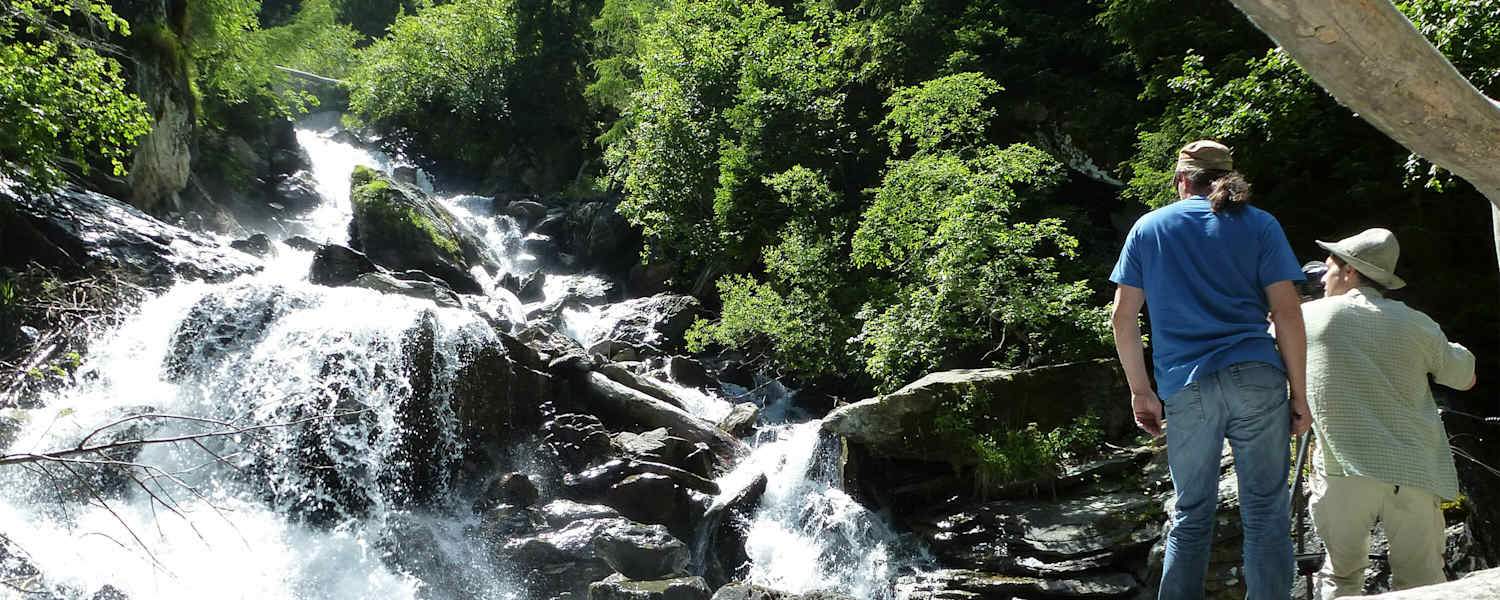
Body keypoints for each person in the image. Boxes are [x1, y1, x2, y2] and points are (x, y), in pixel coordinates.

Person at [1110, 139, 1312, 600]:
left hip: (1186, 385)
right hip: (1257, 375)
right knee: (1265, 513)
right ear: (1226, 178)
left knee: (1191, 514)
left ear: (1182, 179)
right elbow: (1287, 313)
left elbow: (1123, 317)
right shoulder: (1260, 224)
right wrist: (1299, 395)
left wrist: (1141, 392)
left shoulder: (1149, 228)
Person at [1301, 228, 1477, 598]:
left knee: (1341, 577)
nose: (1323, 277)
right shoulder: (1417, 323)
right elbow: (1466, 378)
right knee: (1423, 583)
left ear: (1350, 273)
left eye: (1329, 268)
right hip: (1414, 469)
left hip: (1344, 469)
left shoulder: (1309, 318)